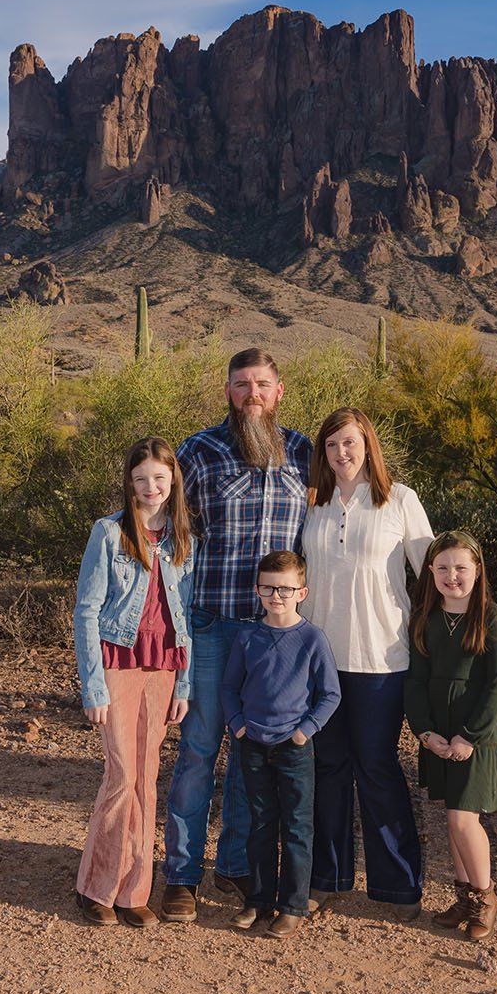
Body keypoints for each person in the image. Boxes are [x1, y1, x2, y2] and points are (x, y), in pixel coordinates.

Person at [161, 350, 313, 923]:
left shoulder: (301, 452)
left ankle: (234, 864)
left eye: (263, 384)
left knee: (256, 753)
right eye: (242, 384)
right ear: (228, 390)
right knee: (199, 751)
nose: (253, 393)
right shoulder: (199, 451)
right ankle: (180, 875)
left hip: (275, 635)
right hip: (213, 626)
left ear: (279, 391)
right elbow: (170, 530)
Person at [300, 407, 432, 918]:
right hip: (319, 658)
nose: (342, 453)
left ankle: (398, 886)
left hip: (382, 658)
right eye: (332, 445)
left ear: (368, 444)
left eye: (350, 442)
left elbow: (432, 570)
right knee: (328, 768)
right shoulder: (312, 503)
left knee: (377, 768)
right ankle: (326, 879)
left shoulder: (400, 500)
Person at [73, 438, 193, 929]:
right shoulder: (109, 532)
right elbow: (86, 610)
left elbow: (186, 620)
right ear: (129, 482)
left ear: (173, 482)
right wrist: (93, 686)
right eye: (141, 478)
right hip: (118, 664)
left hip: (164, 669)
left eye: (160, 478)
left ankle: (134, 892)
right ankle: (95, 886)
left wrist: (184, 685)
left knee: (146, 778)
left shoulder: (185, 540)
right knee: (121, 777)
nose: (151, 487)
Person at [220, 550, 341, 938]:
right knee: (260, 824)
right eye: (268, 588)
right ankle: (257, 901)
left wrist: (305, 730)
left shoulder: (312, 639)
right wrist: (237, 726)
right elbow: (228, 687)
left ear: (301, 592)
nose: (276, 596)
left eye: (285, 589)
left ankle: (291, 905)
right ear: (257, 590)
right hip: (251, 744)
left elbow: (330, 695)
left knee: (296, 826)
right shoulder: (247, 637)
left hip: (294, 747)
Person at [403, 530, 497, 941]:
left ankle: (486, 897)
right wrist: (426, 732)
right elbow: (415, 683)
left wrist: (469, 737)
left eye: (461, 568)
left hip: (477, 739)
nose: (453, 576)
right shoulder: (425, 621)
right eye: (444, 567)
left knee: (464, 819)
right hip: (439, 735)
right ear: (430, 571)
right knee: (452, 819)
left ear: (478, 570)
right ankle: (466, 897)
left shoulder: (495, 622)